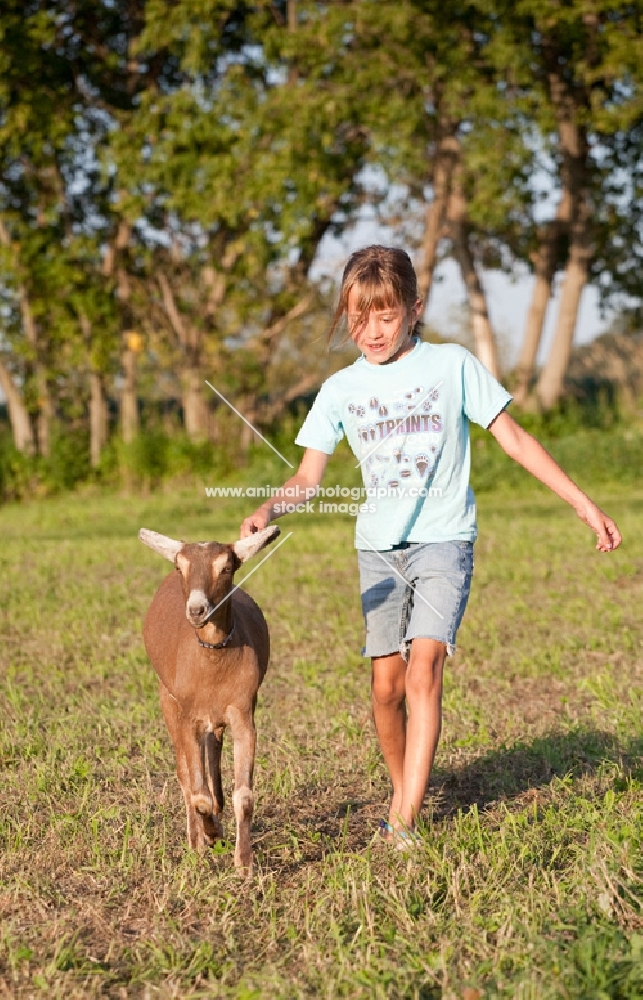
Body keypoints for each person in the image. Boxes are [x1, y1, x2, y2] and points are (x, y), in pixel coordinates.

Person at [239, 245, 622, 846]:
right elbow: (306, 478)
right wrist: (268, 508)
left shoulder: (452, 366)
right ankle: (404, 788)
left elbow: (514, 440)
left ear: (414, 309)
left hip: (444, 538)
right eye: (358, 318)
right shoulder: (340, 389)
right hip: (379, 552)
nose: (371, 331)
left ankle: (403, 820)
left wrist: (583, 503)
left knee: (424, 670)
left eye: (385, 316)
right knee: (386, 689)